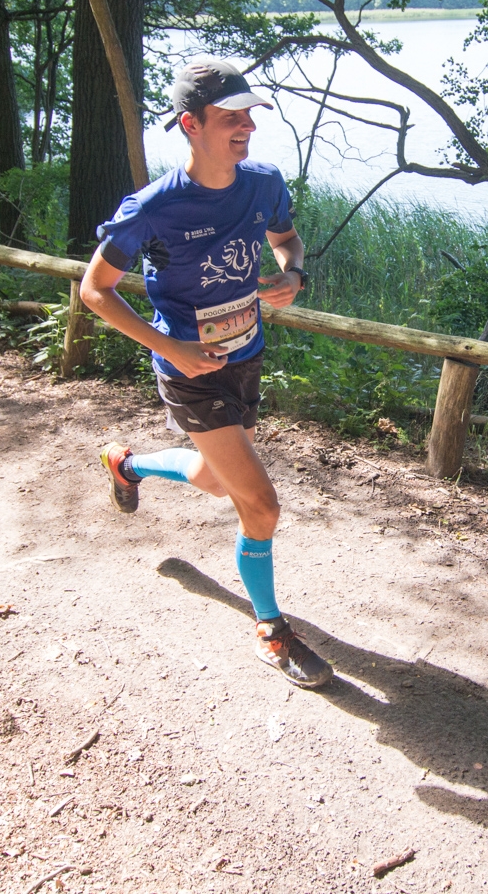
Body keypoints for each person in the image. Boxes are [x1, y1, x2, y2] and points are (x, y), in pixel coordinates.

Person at [78, 57, 332, 689]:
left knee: (217, 482)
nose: (246, 126)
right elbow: (95, 291)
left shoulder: (264, 182)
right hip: (189, 373)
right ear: (190, 125)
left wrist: (293, 274)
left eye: (249, 114)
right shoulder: (154, 207)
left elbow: (288, 240)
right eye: (230, 118)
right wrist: (171, 345)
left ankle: (127, 465)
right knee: (261, 505)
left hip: (246, 358)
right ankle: (273, 632)